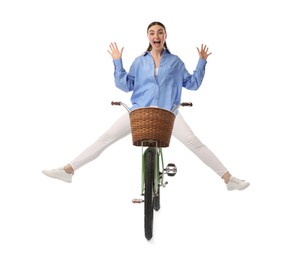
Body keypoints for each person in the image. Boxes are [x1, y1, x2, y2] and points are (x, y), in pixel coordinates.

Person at [42, 21, 249, 191]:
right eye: (152, 32)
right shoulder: (139, 62)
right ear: (148, 37)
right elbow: (125, 85)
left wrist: (202, 62)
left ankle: (228, 179)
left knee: (194, 142)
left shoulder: (175, 62)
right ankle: (68, 171)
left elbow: (192, 84)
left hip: (169, 113)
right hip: (139, 112)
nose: (156, 35)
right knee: (105, 138)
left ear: (165, 36)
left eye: (160, 32)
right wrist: (117, 62)